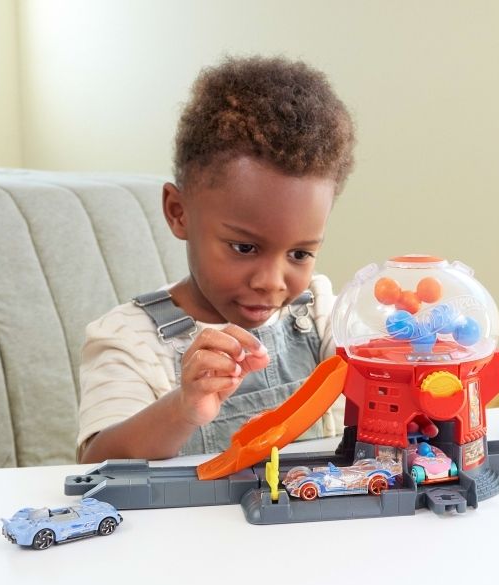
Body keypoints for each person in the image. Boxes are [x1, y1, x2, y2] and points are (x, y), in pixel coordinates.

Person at [77, 55, 355, 463]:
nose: (271, 281)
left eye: (299, 253)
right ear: (179, 212)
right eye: (244, 248)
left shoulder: (320, 312)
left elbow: (376, 383)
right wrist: (183, 408)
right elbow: (96, 463)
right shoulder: (129, 338)